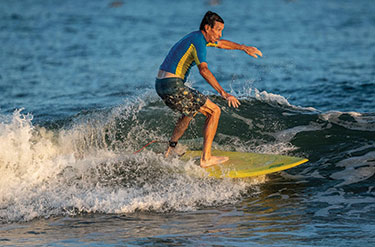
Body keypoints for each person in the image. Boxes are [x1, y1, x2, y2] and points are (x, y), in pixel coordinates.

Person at [155, 11, 262, 168]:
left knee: (189, 112)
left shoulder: (195, 37)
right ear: (207, 28)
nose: (220, 34)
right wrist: (224, 93)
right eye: (218, 30)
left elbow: (221, 43)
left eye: (221, 30)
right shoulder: (198, 42)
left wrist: (243, 48)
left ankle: (170, 148)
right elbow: (203, 70)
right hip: (173, 84)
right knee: (215, 111)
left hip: (161, 85)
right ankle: (206, 158)